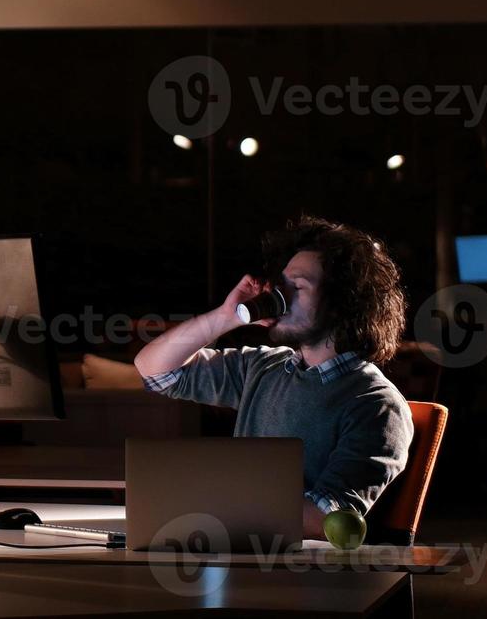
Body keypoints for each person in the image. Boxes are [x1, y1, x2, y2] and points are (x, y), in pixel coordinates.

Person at [134, 216, 413, 537]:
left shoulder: (376, 404)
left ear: (341, 303)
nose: (280, 297)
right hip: (237, 550)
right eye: (281, 285)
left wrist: (211, 502)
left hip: (301, 576)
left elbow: (327, 520)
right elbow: (155, 371)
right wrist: (224, 318)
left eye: (297, 286)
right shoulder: (264, 367)